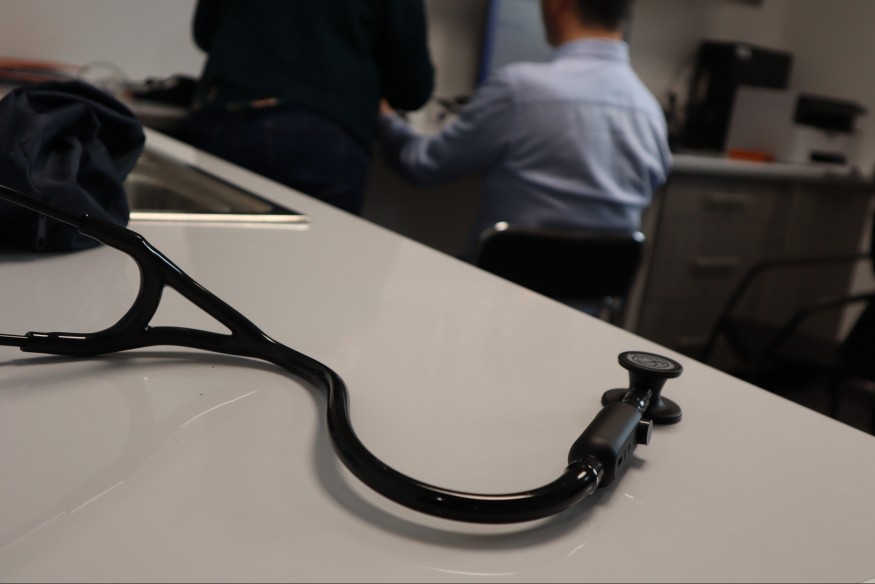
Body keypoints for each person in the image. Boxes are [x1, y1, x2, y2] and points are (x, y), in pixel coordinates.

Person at [378, 0, 671, 257]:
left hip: (499, 290)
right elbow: (654, 185)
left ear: (561, 3)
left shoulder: (517, 90)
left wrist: (385, 116)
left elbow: (422, 164)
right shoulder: (651, 113)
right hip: (590, 301)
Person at [185, 0, 435, 215]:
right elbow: (411, 86)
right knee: (312, 254)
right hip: (321, 129)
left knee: (210, 251)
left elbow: (205, 33)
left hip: (226, 111)